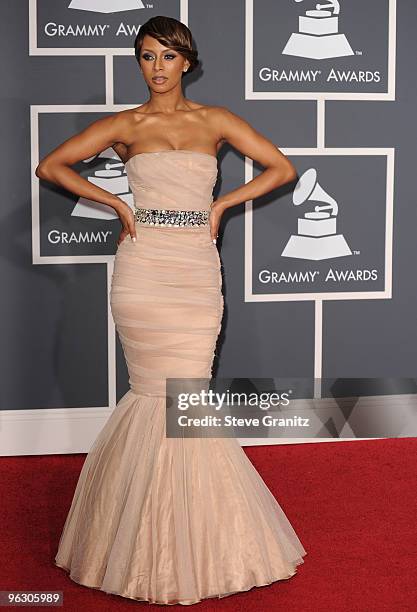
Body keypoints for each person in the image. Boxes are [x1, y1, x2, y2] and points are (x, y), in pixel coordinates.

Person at [35, 15, 307, 606]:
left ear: (187, 61)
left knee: (188, 394)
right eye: (146, 56)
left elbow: (281, 168)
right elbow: (50, 166)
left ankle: (197, 535)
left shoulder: (216, 121)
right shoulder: (125, 125)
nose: (156, 67)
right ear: (139, 63)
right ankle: (138, 540)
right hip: (144, 269)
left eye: (167, 56)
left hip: (193, 268)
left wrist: (222, 207)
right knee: (155, 391)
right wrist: (116, 204)